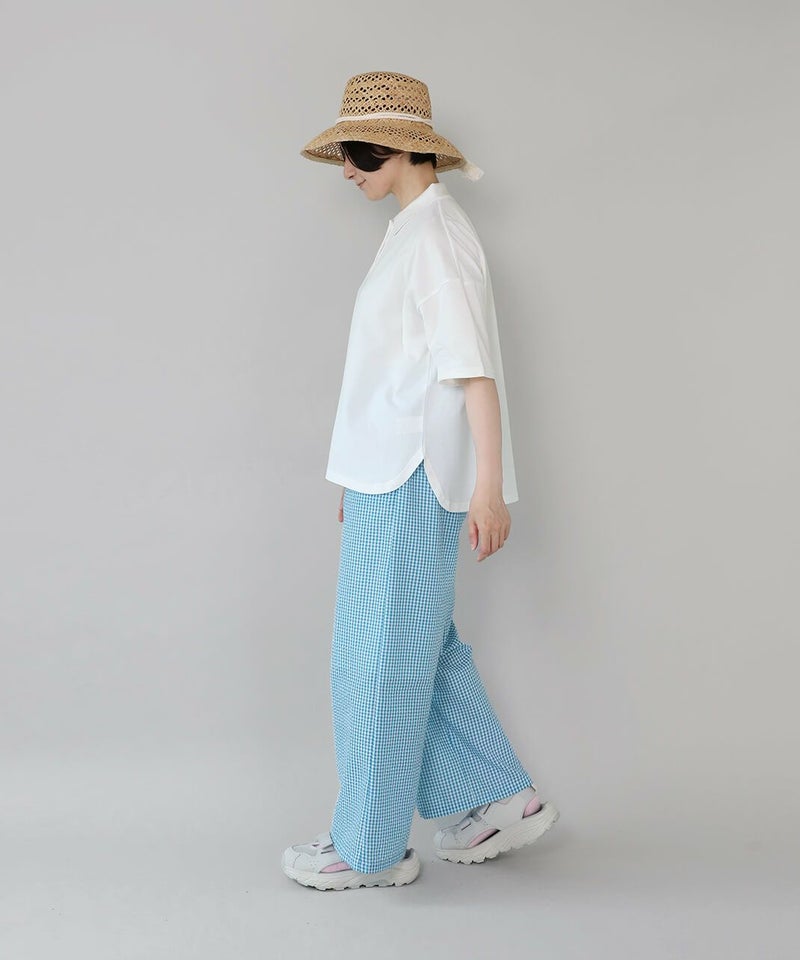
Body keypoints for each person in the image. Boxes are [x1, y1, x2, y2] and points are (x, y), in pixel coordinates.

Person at [282, 71, 559, 891]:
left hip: (415, 477)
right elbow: (395, 375)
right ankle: (499, 798)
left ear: (401, 149)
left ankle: (368, 847)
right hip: (387, 474)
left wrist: (487, 489)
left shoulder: (437, 235)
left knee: (377, 661)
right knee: (417, 648)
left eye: (356, 153)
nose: (345, 169)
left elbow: (473, 372)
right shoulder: (411, 229)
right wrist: (359, 472)